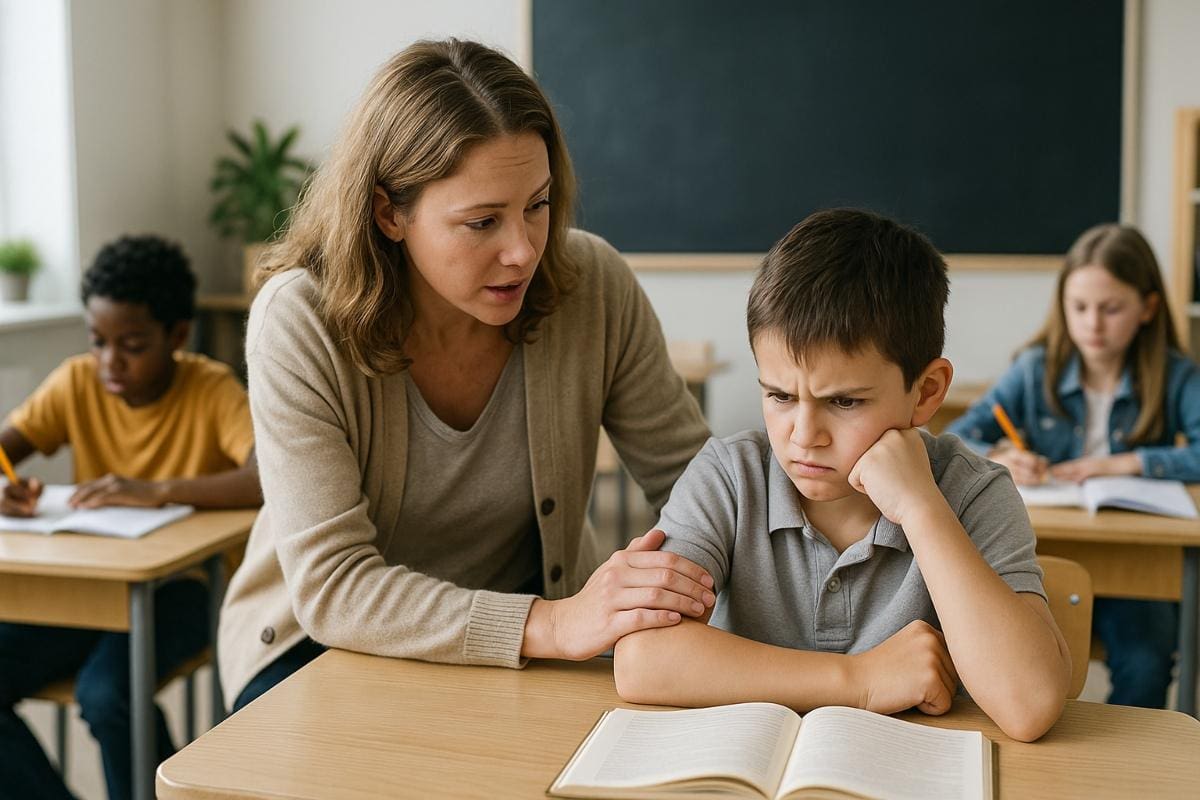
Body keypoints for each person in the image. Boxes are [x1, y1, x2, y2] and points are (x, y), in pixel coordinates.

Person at [217, 38, 714, 711]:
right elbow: (334, 586)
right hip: (317, 652)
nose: (523, 251)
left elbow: (697, 482)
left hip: (528, 649)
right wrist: (555, 623)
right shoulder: (301, 320)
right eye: (481, 222)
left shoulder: (592, 283)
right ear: (389, 212)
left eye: (537, 205)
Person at [612, 209, 1071, 743]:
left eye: (844, 402)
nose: (804, 435)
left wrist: (921, 508)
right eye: (780, 396)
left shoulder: (973, 493)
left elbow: (1029, 705)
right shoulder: (730, 476)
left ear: (926, 392)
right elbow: (642, 658)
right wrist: (858, 680)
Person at [0, 235, 261, 800]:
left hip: (184, 589)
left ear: (176, 336)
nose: (109, 362)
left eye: (133, 345)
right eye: (98, 342)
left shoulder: (209, 387)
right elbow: (3, 448)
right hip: (88, 589)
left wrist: (158, 491)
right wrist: (5, 486)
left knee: (105, 695)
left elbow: (267, 474)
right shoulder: (76, 381)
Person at [946, 223, 1200, 708]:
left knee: (1146, 662)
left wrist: (1125, 463)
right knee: (1026, 664)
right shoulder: (1034, 370)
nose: (1093, 325)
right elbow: (958, 437)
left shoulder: (1175, 374)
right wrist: (1001, 456)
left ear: (1147, 308)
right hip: (1050, 555)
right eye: (1079, 308)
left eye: (1111, 309)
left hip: (1137, 561)